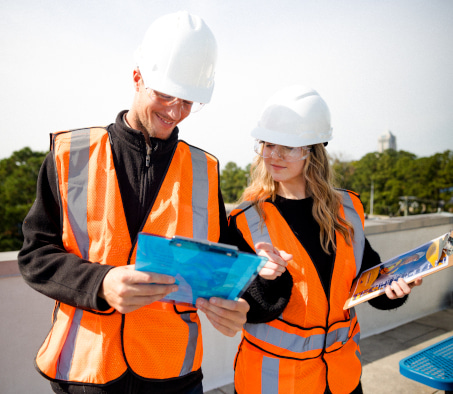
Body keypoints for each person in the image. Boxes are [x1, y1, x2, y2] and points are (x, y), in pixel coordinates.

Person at [18, 11, 251, 394]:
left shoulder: (204, 169)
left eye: (189, 100)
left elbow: (218, 260)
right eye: (164, 94)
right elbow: (34, 255)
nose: (175, 112)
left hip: (174, 373)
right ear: (137, 77)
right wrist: (101, 281)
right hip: (88, 372)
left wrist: (235, 302)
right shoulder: (70, 154)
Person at [228, 85, 423, 394]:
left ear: (312, 151)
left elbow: (366, 280)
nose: (274, 155)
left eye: (288, 147)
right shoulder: (245, 221)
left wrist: (394, 290)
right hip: (274, 383)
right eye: (268, 144)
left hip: (341, 380)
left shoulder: (346, 211)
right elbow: (252, 311)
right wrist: (268, 279)